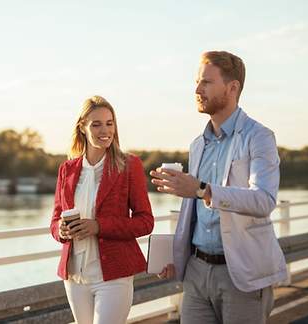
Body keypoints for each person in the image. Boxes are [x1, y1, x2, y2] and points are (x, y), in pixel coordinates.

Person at [150, 51, 287, 324]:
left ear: (232, 87)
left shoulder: (259, 137)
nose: (197, 90)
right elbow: (195, 215)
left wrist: (203, 190)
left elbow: (263, 200)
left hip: (241, 273)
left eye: (206, 82)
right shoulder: (197, 144)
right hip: (196, 272)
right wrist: (178, 256)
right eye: (197, 82)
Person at [50, 95, 154, 324]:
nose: (104, 130)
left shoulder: (129, 165)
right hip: (75, 276)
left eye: (109, 123)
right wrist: (62, 231)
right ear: (82, 128)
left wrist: (98, 226)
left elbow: (145, 221)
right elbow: (55, 220)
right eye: (96, 124)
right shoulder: (67, 169)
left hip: (114, 275)